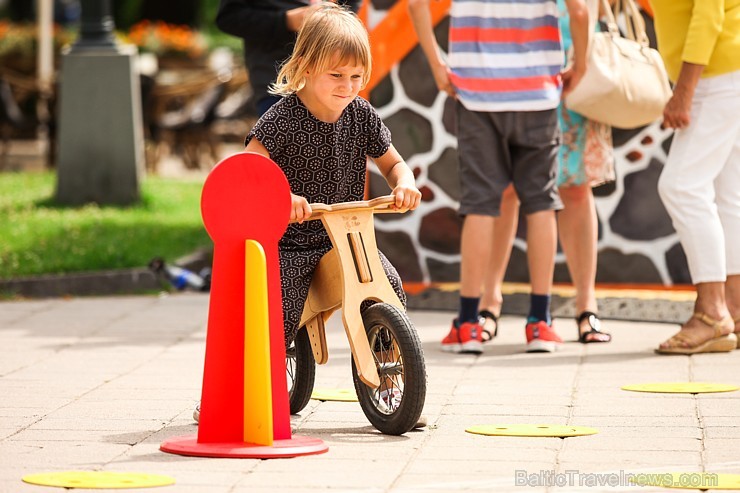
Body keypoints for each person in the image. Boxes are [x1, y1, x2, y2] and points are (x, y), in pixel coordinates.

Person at [194, 3, 423, 423]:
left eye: (356, 76)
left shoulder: (360, 115)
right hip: (292, 241)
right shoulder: (281, 118)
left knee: (387, 282)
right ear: (304, 67)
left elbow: (394, 163)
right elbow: (248, 171)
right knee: (279, 308)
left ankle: (393, 383)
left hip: (344, 236)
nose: (347, 86)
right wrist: (282, 198)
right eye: (335, 75)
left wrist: (404, 183)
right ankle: (246, 386)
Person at [408, 0, 589, 353]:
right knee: (540, 203)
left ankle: (469, 324)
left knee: (480, 205)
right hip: (538, 92)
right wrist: (579, 65)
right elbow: (580, 11)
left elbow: (416, 4)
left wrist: (436, 64)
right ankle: (540, 322)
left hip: (477, 96)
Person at [476, 0, 614, 346]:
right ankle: (489, 301)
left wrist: (580, 62)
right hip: (523, 63)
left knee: (575, 187)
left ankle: (586, 304)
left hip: (570, 62)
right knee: (509, 189)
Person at [652, 0, 740, 354]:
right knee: (729, 194)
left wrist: (683, 91)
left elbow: (709, 11)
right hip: (726, 69)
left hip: (715, 76)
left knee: (680, 186)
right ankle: (734, 306)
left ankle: (712, 313)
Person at [215, 0, 361, 116]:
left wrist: (338, 17)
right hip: (277, 82)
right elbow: (228, 17)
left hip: (334, 83)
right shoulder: (277, 119)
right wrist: (287, 21)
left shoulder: (362, 113)